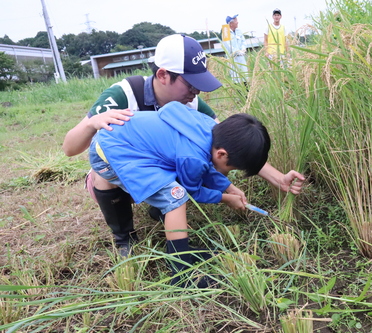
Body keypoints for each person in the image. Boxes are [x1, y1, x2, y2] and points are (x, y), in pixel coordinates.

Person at [62, 34, 304, 259]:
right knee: (113, 177)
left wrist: (277, 178)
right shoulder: (123, 94)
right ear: (163, 75)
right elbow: (70, 149)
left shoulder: (192, 104)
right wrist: (92, 124)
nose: (196, 92)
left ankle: (161, 212)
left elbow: (232, 144)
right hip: (114, 163)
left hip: (156, 164)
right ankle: (125, 238)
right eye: (190, 84)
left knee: (190, 167)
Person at [89, 101, 271, 287]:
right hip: (111, 154)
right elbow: (193, 191)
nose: (229, 172)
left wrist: (228, 187)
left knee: (177, 179)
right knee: (176, 197)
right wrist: (225, 198)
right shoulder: (193, 157)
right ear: (222, 155)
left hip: (120, 140)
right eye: (231, 168)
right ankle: (181, 274)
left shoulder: (210, 129)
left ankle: (161, 216)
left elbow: (206, 165)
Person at [223, 14, 248, 84]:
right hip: (233, 59)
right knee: (236, 79)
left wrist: (243, 49)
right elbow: (228, 46)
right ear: (231, 23)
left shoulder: (239, 31)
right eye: (236, 21)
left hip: (241, 58)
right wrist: (237, 52)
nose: (237, 22)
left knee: (245, 78)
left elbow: (243, 41)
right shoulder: (225, 33)